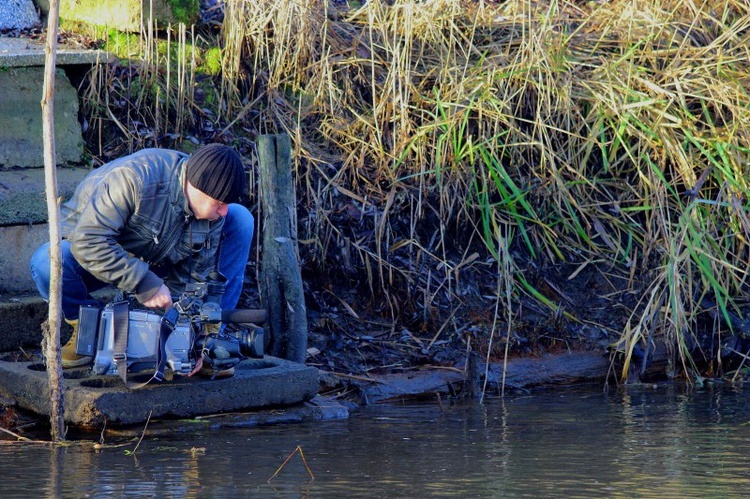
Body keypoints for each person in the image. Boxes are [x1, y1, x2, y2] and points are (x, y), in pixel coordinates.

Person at [29, 143, 255, 372]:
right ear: (195, 186)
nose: (224, 210)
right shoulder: (134, 178)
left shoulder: (212, 213)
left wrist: (191, 334)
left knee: (241, 219)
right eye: (219, 203)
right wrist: (144, 282)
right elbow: (88, 241)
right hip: (93, 254)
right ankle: (89, 329)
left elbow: (197, 276)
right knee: (46, 262)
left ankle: (211, 341)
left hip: (157, 260)